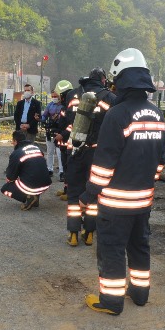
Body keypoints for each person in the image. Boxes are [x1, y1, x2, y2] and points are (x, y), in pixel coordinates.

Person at [79, 48, 165, 316]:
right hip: (144, 200)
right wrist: (146, 184)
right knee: (140, 247)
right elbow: (160, 161)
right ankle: (140, 294)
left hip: (116, 203)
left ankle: (111, 301)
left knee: (112, 250)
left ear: (120, 80)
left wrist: (89, 194)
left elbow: (104, 164)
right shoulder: (158, 115)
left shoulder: (117, 115)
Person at [64, 67, 117, 247]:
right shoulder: (109, 97)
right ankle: (89, 233)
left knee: (73, 193)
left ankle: (72, 233)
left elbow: (67, 121)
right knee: (93, 195)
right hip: (97, 153)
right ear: (103, 80)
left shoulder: (73, 94)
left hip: (75, 149)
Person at [1, 130, 52, 211]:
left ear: (16, 141)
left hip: (32, 186)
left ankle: (29, 197)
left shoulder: (16, 153)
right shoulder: (36, 147)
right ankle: (35, 198)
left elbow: (11, 177)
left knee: (5, 188)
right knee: (32, 173)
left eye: (12, 141)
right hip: (46, 183)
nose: (12, 143)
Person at [41, 90, 64, 177]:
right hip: (51, 129)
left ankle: (61, 171)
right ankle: (49, 169)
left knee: (59, 152)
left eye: (56, 96)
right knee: (50, 151)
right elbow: (44, 116)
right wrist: (40, 118)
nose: (54, 98)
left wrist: (59, 116)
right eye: (53, 96)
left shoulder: (63, 105)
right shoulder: (50, 105)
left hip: (60, 130)